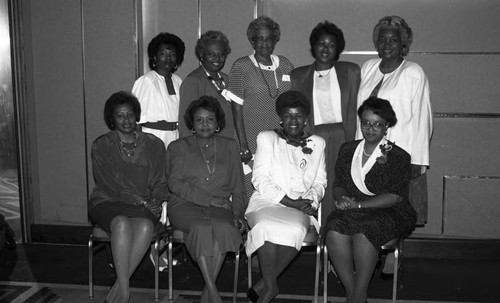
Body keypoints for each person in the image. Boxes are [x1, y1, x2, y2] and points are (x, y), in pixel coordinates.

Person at [356, 16, 432, 277]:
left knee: (395, 203)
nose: (387, 44)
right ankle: (372, 250)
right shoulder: (367, 67)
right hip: (368, 151)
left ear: (404, 44)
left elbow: (422, 116)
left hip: (399, 152)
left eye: (394, 40)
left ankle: (393, 251)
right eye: (382, 39)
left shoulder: (413, 72)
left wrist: (417, 159)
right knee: (371, 202)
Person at [323, 97, 417, 303]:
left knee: (366, 231)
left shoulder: (399, 156)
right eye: (366, 123)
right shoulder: (347, 149)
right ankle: (354, 293)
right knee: (334, 229)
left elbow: (395, 196)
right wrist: (342, 199)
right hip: (353, 208)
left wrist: (358, 204)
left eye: (377, 124)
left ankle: (359, 293)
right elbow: (338, 184)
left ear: (387, 127)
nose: (370, 128)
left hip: (390, 210)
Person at [245, 91, 326, 303]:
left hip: (300, 206)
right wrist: (290, 202)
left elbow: (320, 182)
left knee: (296, 229)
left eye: (298, 115)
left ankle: (265, 283)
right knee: (264, 226)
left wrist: (311, 201)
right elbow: (260, 179)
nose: (293, 120)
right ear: (280, 117)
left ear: (306, 118)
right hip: (266, 200)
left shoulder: (317, 143)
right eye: (288, 115)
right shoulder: (266, 138)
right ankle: (271, 286)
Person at [88, 91, 168, 303]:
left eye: (130, 114)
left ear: (137, 116)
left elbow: (160, 180)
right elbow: (110, 184)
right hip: (107, 201)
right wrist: (142, 201)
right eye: (120, 115)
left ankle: (118, 289)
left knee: (145, 226)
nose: (126, 120)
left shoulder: (154, 144)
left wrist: (156, 200)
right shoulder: (101, 145)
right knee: (121, 223)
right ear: (111, 119)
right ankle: (124, 292)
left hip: (143, 205)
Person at [166, 96, 246, 303]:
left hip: (220, 206)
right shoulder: (178, 147)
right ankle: (214, 293)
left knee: (223, 227)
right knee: (202, 228)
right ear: (191, 124)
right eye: (199, 120)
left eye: (209, 119)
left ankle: (206, 296)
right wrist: (209, 200)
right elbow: (174, 184)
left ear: (218, 123)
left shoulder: (230, 146)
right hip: (184, 205)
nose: (204, 124)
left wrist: (237, 214)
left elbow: (238, 187)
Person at [291, 20, 360, 223]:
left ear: (337, 49)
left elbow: (357, 107)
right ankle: (318, 230)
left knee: (341, 184)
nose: (326, 48)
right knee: (316, 184)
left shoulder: (351, 71)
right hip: (312, 138)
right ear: (313, 46)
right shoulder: (297, 76)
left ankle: (341, 231)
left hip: (343, 137)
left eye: (331, 44)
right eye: (321, 43)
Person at [228, 16, 294, 200]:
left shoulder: (286, 65)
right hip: (251, 138)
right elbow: (236, 108)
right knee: (251, 186)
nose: (265, 43)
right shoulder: (241, 66)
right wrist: (242, 144)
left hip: (280, 139)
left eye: (269, 38)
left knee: (278, 187)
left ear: (275, 40)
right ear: (252, 41)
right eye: (260, 38)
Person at [178, 31, 236, 139]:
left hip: (230, 145)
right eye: (211, 54)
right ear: (201, 54)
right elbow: (185, 125)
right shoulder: (193, 81)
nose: (217, 58)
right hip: (207, 148)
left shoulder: (227, 79)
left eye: (221, 54)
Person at [132, 32, 185, 149]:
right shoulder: (146, 81)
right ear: (155, 57)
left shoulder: (178, 81)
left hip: (175, 137)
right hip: (152, 138)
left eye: (172, 54)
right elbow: (135, 118)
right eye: (163, 54)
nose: (168, 58)